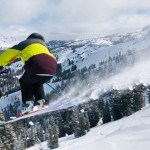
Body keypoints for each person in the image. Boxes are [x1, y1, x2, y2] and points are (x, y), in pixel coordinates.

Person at [0, 33, 57, 114]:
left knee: (24, 81)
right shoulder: (44, 47)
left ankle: (28, 104)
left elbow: (8, 55)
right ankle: (41, 101)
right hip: (52, 69)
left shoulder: (24, 44)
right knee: (37, 83)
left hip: (36, 66)